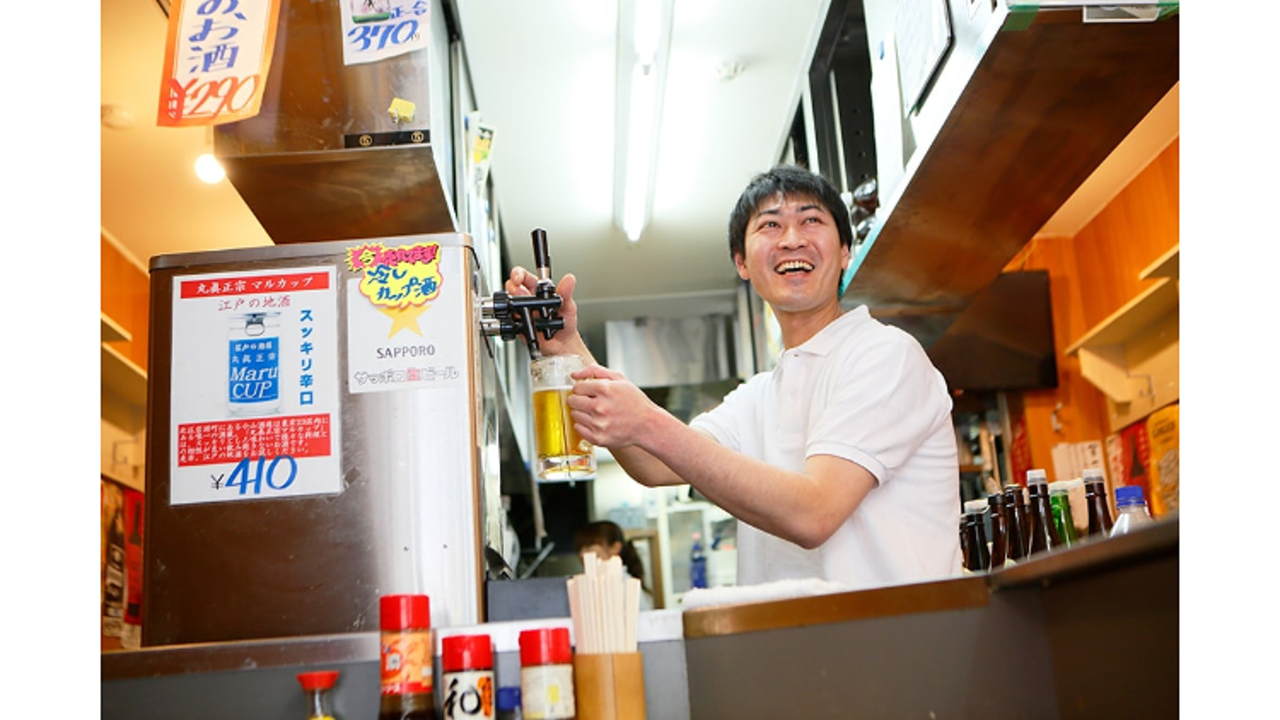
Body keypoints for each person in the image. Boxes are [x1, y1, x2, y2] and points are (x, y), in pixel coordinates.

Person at [506, 165, 961, 592]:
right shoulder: (761, 395)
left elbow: (815, 513)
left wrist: (647, 421)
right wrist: (568, 350)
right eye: (770, 225)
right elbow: (653, 463)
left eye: (811, 221)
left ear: (845, 251)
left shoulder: (884, 355)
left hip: (901, 655)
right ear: (742, 263)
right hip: (803, 662)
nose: (791, 240)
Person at [574, 520, 655, 610]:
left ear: (615, 547)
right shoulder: (590, 583)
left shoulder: (624, 583)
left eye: (589, 547)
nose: (582, 554)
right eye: (579, 549)